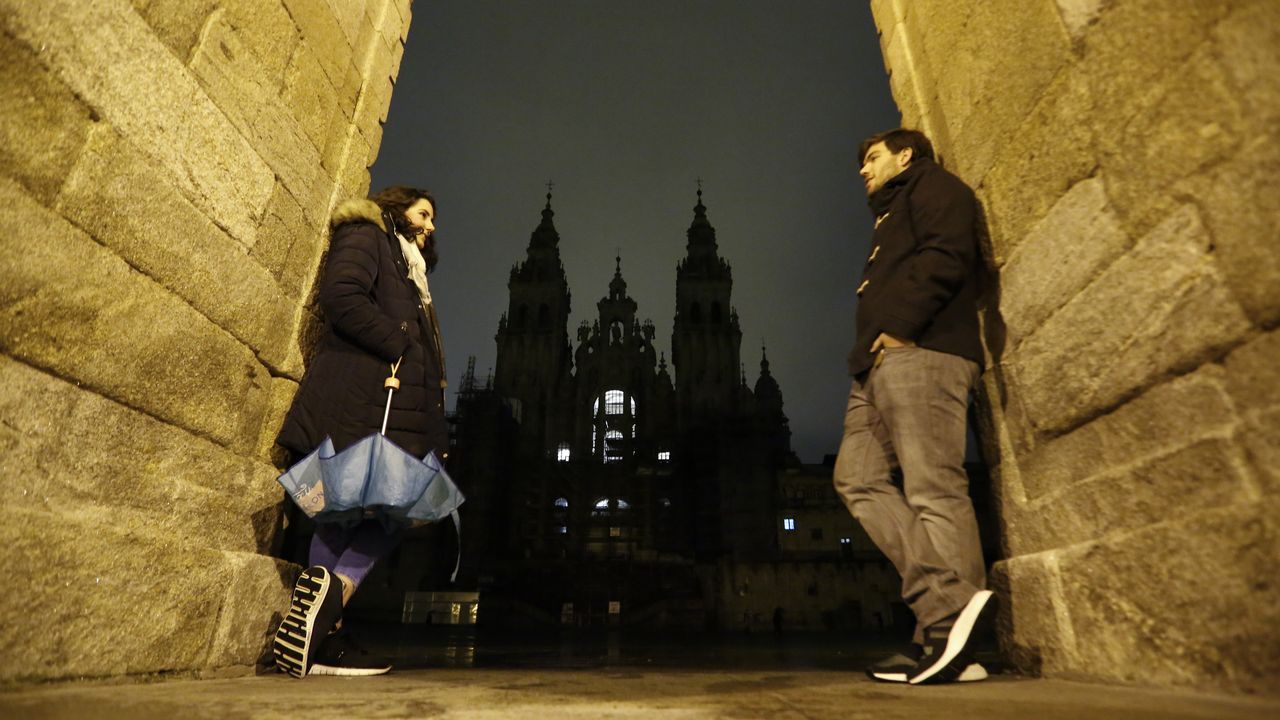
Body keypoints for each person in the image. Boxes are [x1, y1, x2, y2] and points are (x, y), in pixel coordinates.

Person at [832, 129, 993, 685]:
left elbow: (949, 252)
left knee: (933, 489)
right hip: (876, 368)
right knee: (857, 479)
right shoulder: (891, 212)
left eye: (871, 157)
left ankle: (953, 643)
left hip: (922, 351)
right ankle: (941, 616)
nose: (862, 169)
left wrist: (898, 327)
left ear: (906, 155)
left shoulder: (935, 187)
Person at [272, 186, 448, 678]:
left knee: (358, 514)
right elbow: (342, 296)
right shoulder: (368, 234)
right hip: (366, 400)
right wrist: (402, 344)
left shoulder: (411, 270)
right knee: (383, 513)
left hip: (390, 406)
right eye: (424, 213)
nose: (431, 226)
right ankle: (328, 615)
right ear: (397, 207)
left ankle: (320, 630)